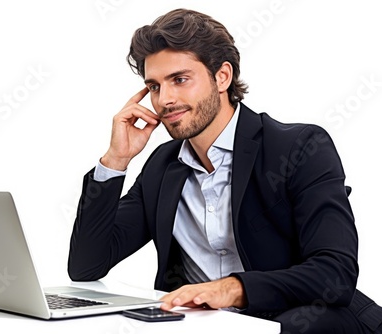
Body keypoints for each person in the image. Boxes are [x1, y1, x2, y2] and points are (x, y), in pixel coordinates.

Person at [67, 8, 382, 333]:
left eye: (180, 79)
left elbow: (335, 272)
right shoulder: (163, 166)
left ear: (222, 77)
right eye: (155, 87)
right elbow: (86, 266)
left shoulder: (298, 148)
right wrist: (115, 160)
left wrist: (231, 288)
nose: (165, 100)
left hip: (307, 324)